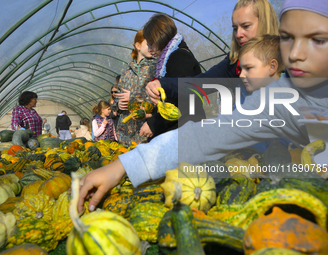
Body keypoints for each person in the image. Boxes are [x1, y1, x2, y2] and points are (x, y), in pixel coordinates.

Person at [77, 0, 328, 212]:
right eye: (288, 38)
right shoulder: (273, 99)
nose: (296, 53)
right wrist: (124, 165)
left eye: (317, 39)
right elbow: (206, 132)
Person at [145, 0, 279, 110]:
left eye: (246, 26)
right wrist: (163, 84)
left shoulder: (289, 60)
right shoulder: (233, 62)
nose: (238, 34)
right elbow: (201, 83)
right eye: (235, 28)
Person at [139, 14, 203, 138]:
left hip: (186, 132)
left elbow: (180, 100)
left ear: (160, 38)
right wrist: (151, 114)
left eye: (151, 44)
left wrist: (154, 124)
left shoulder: (179, 57)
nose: (150, 49)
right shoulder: (170, 58)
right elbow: (169, 101)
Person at [237, 34, 296, 152]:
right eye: (241, 69)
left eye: (248, 68)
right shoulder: (243, 95)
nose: (241, 75)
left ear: (272, 66)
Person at [112, 30, 156, 147]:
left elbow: (158, 100)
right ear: (138, 46)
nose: (153, 47)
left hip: (145, 134)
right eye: (149, 44)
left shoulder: (156, 70)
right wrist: (119, 106)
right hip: (124, 135)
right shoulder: (126, 74)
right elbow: (115, 103)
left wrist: (133, 97)